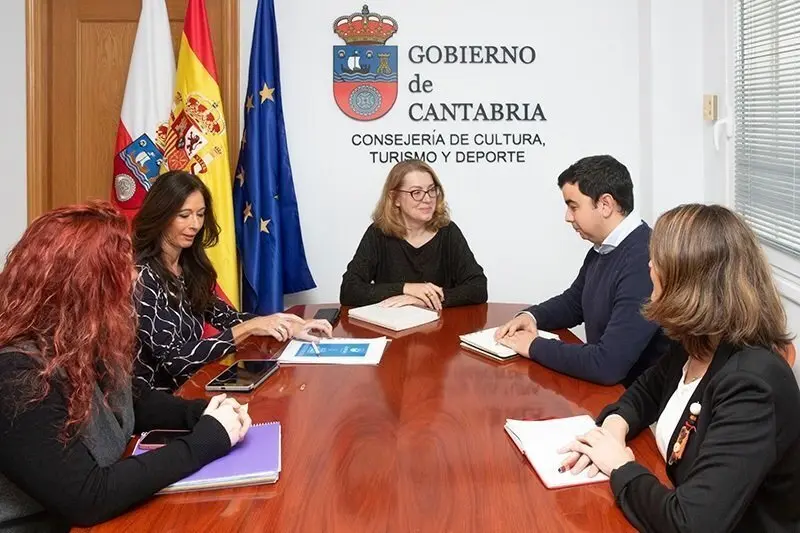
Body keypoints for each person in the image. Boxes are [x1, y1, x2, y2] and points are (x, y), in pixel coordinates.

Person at [0, 202, 251, 531]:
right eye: (120, 267)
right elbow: (87, 498)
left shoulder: (78, 338)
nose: (134, 276)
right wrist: (205, 442)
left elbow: (131, 401)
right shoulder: (16, 374)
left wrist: (200, 413)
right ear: (81, 285)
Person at [559, 204, 800, 532]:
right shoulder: (697, 341)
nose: (649, 265)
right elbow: (645, 392)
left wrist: (619, 466)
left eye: (658, 259)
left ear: (689, 280)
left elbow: (691, 524)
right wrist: (614, 426)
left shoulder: (751, 385)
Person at [133, 171, 331, 392]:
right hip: (156, 397)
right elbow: (174, 359)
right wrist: (248, 328)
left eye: (200, 214)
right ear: (161, 215)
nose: (195, 224)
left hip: (193, 385)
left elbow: (225, 317)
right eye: (184, 215)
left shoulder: (188, 268)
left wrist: (284, 325)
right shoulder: (141, 276)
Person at [495, 155, 665, 386]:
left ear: (605, 204)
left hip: (632, 399)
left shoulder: (644, 260)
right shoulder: (602, 249)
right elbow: (574, 303)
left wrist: (533, 346)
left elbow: (608, 364)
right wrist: (531, 316)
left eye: (573, 206)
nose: (568, 217)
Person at [339, 159, 487, 311]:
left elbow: (478, 287)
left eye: (431, 190)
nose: (428, 199)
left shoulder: (448, 231)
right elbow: (349, 290)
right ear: (395, 198)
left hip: (441, 323)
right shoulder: (378, 233)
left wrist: (424, 300)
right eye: (416, 192)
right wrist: (407, 288)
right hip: (392, 323)